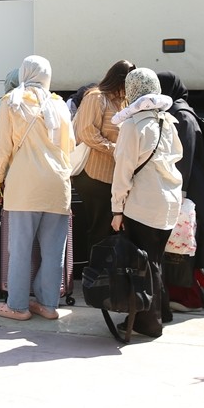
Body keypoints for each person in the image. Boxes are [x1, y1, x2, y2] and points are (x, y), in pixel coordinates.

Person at [0, 55, 74, 321]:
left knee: (20, 248)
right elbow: (69, 145)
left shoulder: (11, 102)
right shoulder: (60, 105)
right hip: (58, 185)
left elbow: (3, 148)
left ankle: (17, 306)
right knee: (53, 250)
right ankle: (49, 304)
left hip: (24, 184)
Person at [110, 67, 183, 338]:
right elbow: (177, 155)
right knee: (155, 260)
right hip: (169, 200)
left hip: (143, 203)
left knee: (143, 264)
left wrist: (117, 208)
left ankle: (147, 322)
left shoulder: (132, 125)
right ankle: (162, 311)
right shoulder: (167, 120)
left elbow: (123, 170)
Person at [156, 71, 204, 312]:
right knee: (182, 244)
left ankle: (188, 298)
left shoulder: (181, 115)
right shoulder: (180, 112)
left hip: (187, 187)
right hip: (189, 185)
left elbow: (184, 157)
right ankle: (181, 295)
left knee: (183, 244)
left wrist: (180, 192)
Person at [71, 60, 136, 267]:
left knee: (111, 228)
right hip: (94, 175)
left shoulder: (123, 100)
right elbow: (87, 133)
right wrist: (116, 150)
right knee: (99, 227)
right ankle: (96, 276)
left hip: (115, 176)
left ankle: (107, 274)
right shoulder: (96, 97)